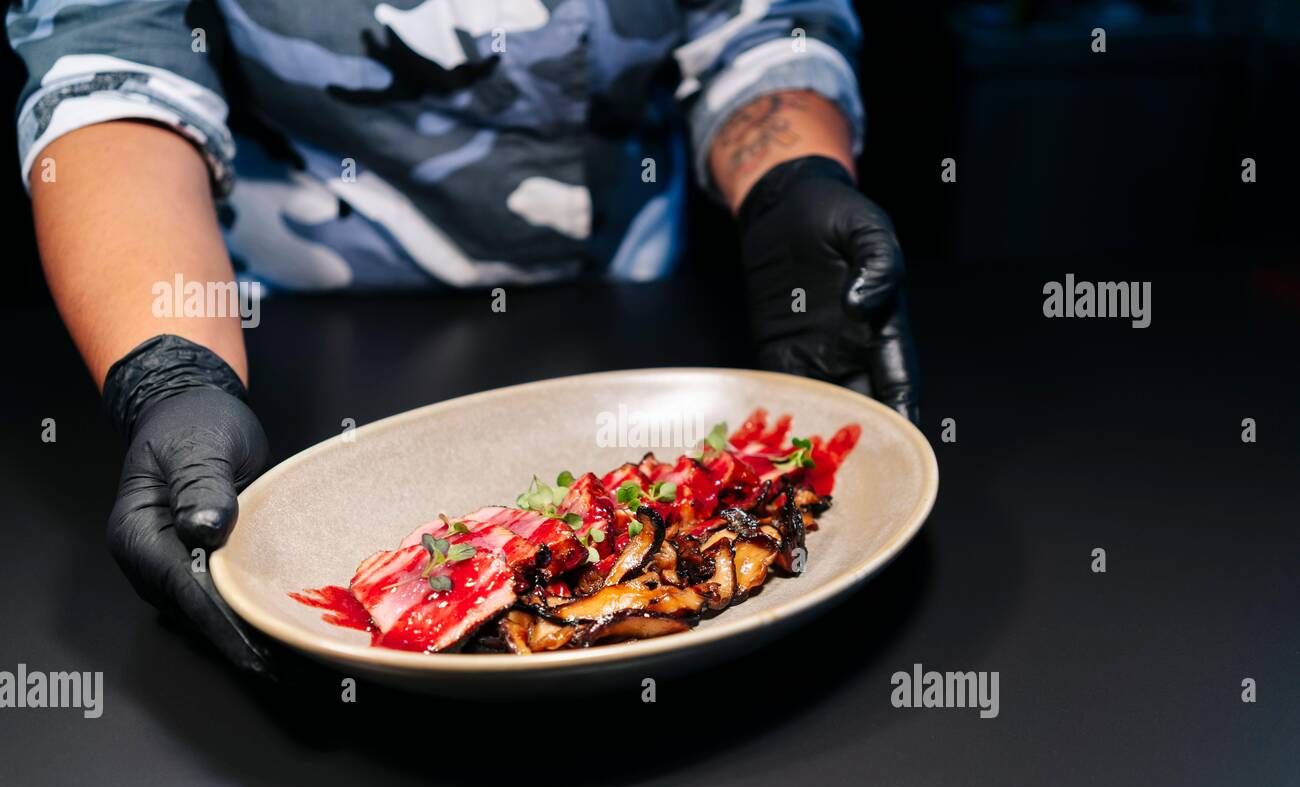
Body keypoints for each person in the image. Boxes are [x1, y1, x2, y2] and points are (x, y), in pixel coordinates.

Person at [8, 0, 918, 676]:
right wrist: (171, 369)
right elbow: (112, 53)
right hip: (284, 323)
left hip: (635, 309)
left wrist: (788, 178)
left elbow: (762, 24)